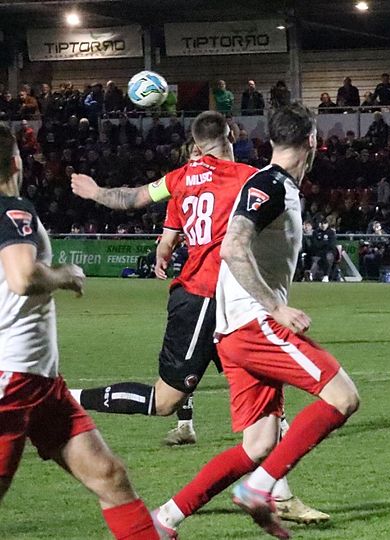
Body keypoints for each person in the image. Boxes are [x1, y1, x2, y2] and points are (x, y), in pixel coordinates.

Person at [67, 112, 324, 524]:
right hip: (206, 298)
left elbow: (132, 199)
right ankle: (68, 398)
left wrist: (96, 192)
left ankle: (279, 494)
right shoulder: (248, 177)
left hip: (225, 302)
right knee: (164, 401)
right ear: (231, 134)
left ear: (195, 142)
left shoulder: (180, 178)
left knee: (267, 407)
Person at [152, 105, 360, 539]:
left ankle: (166, 518)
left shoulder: (270, 183)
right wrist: (276, 308)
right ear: (312, 142)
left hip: (235, 331)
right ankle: (259, 488)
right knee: (343, 397)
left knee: (259, 445)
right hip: (253, 325)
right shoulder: (270, 185)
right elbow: (232, 247)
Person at [0, 124, 159, 539]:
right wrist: (66, 275)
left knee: (109, 476)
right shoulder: (12, 209)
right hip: (12, 381)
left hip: (40, 383)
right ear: (16, 162)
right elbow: (22, 277)